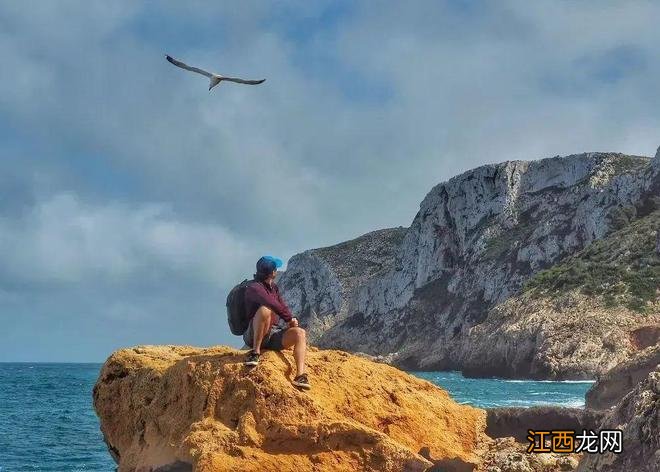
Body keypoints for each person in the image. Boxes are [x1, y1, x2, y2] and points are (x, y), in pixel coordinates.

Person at [243, 256, 310, 390]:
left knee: (300, 333)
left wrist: (291, 321)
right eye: (275, 269)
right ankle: (255, 353)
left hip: (272, 334)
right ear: (271, 272)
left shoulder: (274, 287)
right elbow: (272, 304)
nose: (276, 271)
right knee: (265, 310)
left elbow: (281, 305)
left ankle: (300, 375)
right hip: (253, 335)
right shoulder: (254, 288)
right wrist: (289, 319)